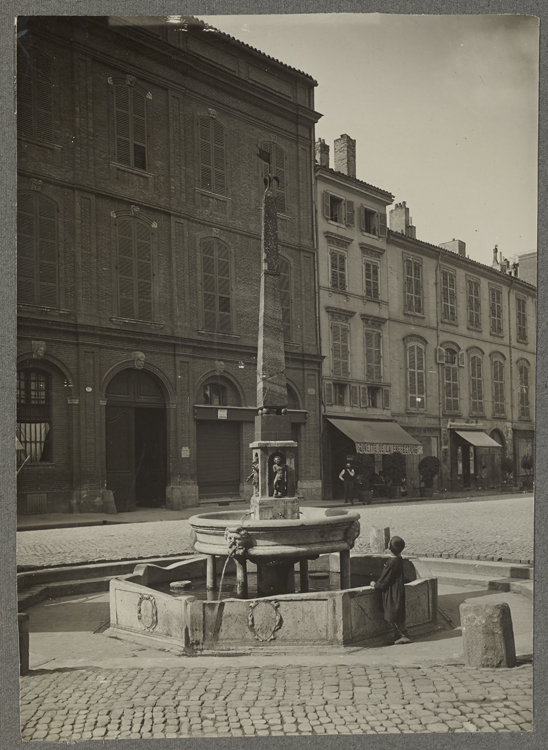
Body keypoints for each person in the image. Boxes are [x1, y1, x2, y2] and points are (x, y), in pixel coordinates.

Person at [370, 536, 412, 644]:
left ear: (390, 548)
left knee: (393, 613)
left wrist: (375, 584)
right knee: (396, 613)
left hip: (392, 592)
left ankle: (404, 635)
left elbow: (384, 580)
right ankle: (399, 634)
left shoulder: (391, 563)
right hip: (398, 590)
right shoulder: (399, 560)